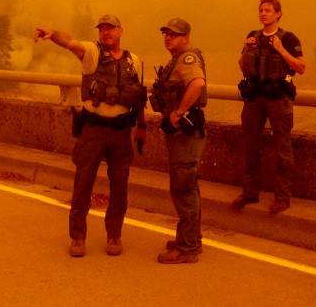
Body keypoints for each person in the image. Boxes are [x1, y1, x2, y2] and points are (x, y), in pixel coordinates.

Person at [34, 14, 147, 257]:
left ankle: (114, 235)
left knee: (120, 186)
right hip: (93, 130)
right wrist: (53, 34)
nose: (106, 33)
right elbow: (70, 42)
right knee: (83, 183)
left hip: (121, 132)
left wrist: (142, 128)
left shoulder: (134, 61)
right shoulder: (91, 53)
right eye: (102, 29)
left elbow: (138, 97)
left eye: (111, 29)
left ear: (121, 31)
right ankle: (77, 237)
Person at [233, 0, 306, 214]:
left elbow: (301, 67)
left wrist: (282, 50)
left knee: (283, 147)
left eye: (268, 10)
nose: (263, 14)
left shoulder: (289, 38)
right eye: (261, 10)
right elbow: (241, 66)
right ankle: (249, 192)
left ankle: (282, 197)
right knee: (251, 145)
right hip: (254, 97)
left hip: (277, 98)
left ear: (278, 14)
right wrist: (245, 49)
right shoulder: (252, 37)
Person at [150, 18, 207, 264]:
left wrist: (178, 112)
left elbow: (197, 83)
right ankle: (192, 238)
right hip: (183, 134)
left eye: (174, 34)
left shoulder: (186, 59)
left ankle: (187, 249)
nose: (168, 37)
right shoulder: (177, 59)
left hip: (185, 133)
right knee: (189, 187)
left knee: (183, 188)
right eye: (166, 33)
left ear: (186, 37)